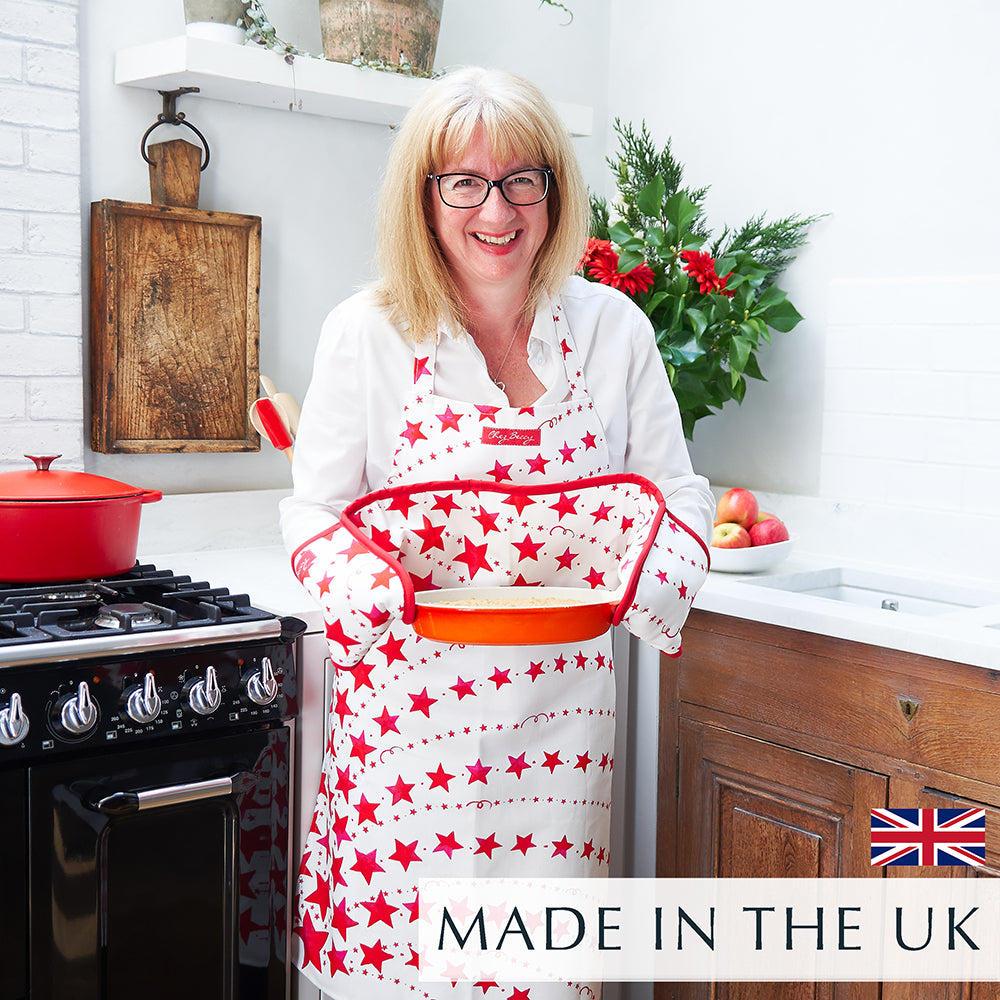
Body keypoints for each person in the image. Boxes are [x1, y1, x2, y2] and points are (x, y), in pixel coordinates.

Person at [281, 66, 715, 1000]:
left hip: (557, 736)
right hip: (407, 732)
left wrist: (653, 582)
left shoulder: (614, 332)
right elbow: (311, 513)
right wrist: (375, 592)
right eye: (464, 182)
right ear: (425, 198)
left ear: (554, 194)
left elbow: (679, 495)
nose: (497, 207)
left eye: (523, 179)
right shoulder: (367, 333)